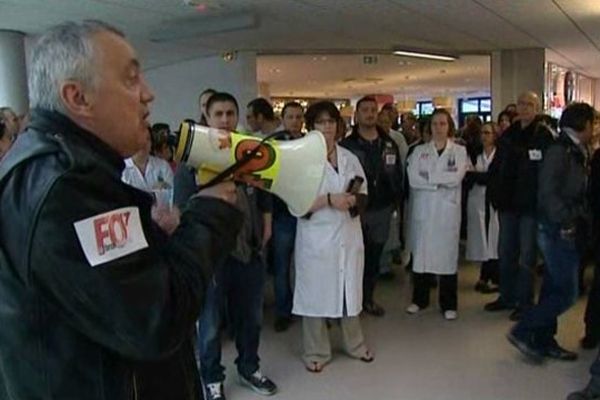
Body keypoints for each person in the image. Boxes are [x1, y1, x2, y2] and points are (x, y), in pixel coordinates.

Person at [0, 20, 242, 400]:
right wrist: (211, 213)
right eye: (130, 79)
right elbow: (156, 318)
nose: (148, 94)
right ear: (78, 98)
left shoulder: (59, 169)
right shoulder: (67, 190)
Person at [174, 92, 277, 400]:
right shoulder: (191, 162)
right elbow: (181, 209)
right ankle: (211, 378)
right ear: (206, 116)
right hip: (211, 257)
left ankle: (249, 368)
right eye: (218, 113)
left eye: (230, 113)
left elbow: (265, 194)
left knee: (251, 318)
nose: (225, 119)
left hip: (250, 251)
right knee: (209, 324)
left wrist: (267, 227)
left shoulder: (249, 155)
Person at [508, 102, 594, 364]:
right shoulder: (560, 150)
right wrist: (568, 219)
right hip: (557, 228)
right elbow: (547, 193)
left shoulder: (577, 149)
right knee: (567, 292)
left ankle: (544, 340)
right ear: (583, 125)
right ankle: (523, 329)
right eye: (593, 123)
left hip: (563, 225)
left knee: (552, 288)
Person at [293, 101, 373, 373]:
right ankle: (316, 350)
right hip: (317, 238)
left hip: (348, 235)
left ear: (338, 126)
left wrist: (353, 200)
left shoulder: (350, 157)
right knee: (315, 294)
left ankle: (355, 344)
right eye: (320, 122)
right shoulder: (301, 159)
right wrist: (329, 199)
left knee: (349, 291)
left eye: (331, 122)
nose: (327, 127)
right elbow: (297, 205)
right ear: (311, 127)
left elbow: (363, 192)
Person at [485, 91, 555, 321]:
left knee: (527, 255)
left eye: (530, 104)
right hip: (507, 204)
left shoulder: (544, 136)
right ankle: (506, 296)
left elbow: (545, 170)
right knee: (505, 252)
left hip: (530, 206)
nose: (524, 108)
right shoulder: (508, 135)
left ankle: (524, 302)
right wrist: (495, 196)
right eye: (521, 104)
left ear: (537, 107)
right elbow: (497, 167)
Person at [341, 96, 403, 317]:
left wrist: (396, 200)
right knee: (353, 257)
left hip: (382, 208)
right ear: (356, 115)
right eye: (364, 110)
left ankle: (367, 299)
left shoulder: (388, 143)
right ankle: (349, 302)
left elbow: (397, 174)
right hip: (355, 210)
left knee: (374, 258)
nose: (369, 114)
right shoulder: (346, 146)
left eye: (372, 110)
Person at [405, 108, 469, 320]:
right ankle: (419, 299)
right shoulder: (419, 151)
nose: (438, 128)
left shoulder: (459, 151)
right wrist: (440, 179)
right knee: (421, 256)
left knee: (447, 258)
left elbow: (455, 178)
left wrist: (429, 178)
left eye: (443, 123)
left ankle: (448, 304)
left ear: (449, 126)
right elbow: (413, 179)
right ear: (429, 127)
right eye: (434, 124)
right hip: (424, 212)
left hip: (447, 213)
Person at [271, 101, 304, 332]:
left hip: (307, 213)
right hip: (282, 213)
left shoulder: (310, 143)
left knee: (307, 264)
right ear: (283, 119)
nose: (294, 121)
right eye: (290, 116)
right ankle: (283, 310)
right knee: (281, 266)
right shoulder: (273, 144)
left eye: (298, 117)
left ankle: (308, 308)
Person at [465, 122, 500, 293]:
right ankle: (484, 276)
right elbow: (468, 176)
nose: (484, 136)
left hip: (494, 201)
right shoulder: (474, 154)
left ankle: (495, 277)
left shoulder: (500, 155)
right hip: (477, 201)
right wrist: (481, 177)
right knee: (482, 239)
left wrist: (480, 177)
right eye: (482, 133)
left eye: (488, 133)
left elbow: (495, 178)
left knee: (493, 239)